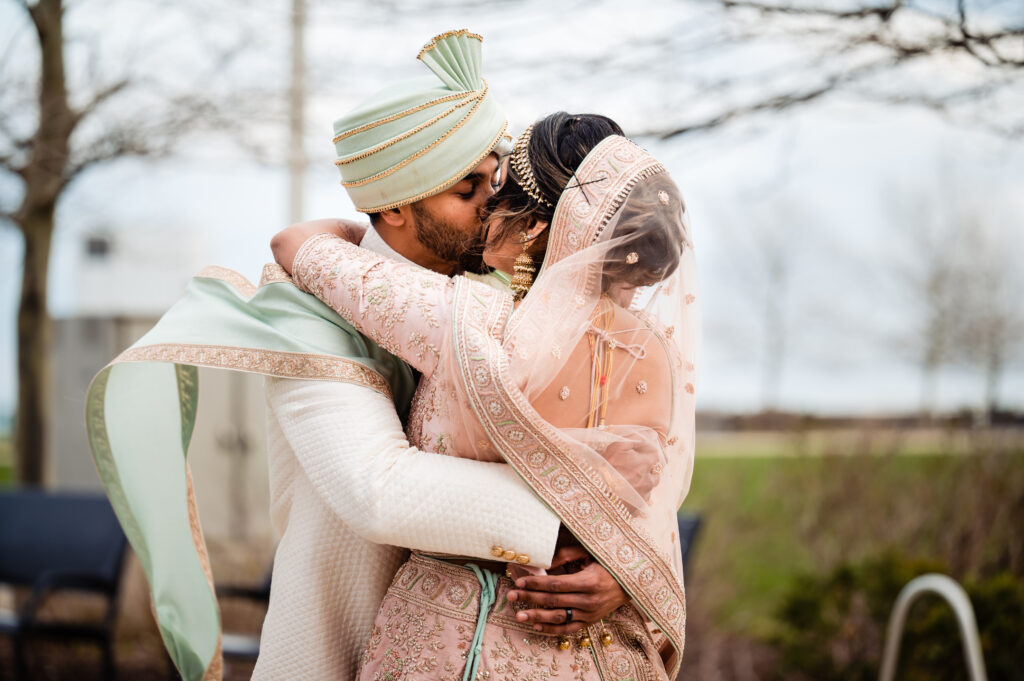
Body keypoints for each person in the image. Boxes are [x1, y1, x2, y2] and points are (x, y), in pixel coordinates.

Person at [85, 30, 626, 681]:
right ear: (393, 207)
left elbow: (624, 443)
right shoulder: (303, 310)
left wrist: (621, 565)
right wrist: (575, 533)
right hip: (335, 647)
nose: (494, 203)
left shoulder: (503, 296)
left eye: (497, 177)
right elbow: (380, 490)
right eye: (467, 188)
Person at [272, 111, 700, 680]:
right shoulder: (657, 353)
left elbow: (294, 243)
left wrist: (367, 221)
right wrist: (621, 564)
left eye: (499, 193)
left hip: (452, 646)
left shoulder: (469, 321)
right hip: (598, 651)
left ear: (532, 229)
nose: (485, 213)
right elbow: (655, 502)